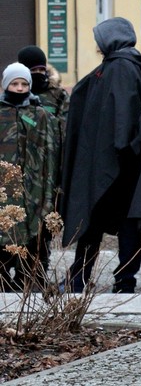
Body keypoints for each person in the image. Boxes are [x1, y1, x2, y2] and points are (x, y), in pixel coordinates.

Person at [59, 18, 141, 294]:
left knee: (96, 221)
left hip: (115, 164)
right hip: (126, 163)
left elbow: (122, 117)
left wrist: (117, 151)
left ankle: (82, 278)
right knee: (126, 225)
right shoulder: (128, 66)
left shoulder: (120, 68)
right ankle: (121, 280)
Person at [0, 63, 57, 291]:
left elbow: (49, 153)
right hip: (4, 190)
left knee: (34, 237)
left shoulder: (39, 114)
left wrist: (49, 192)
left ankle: (29, 283)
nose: (20, 88)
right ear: (6, 85)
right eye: (14, 83)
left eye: (24, 84)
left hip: (32, 189)